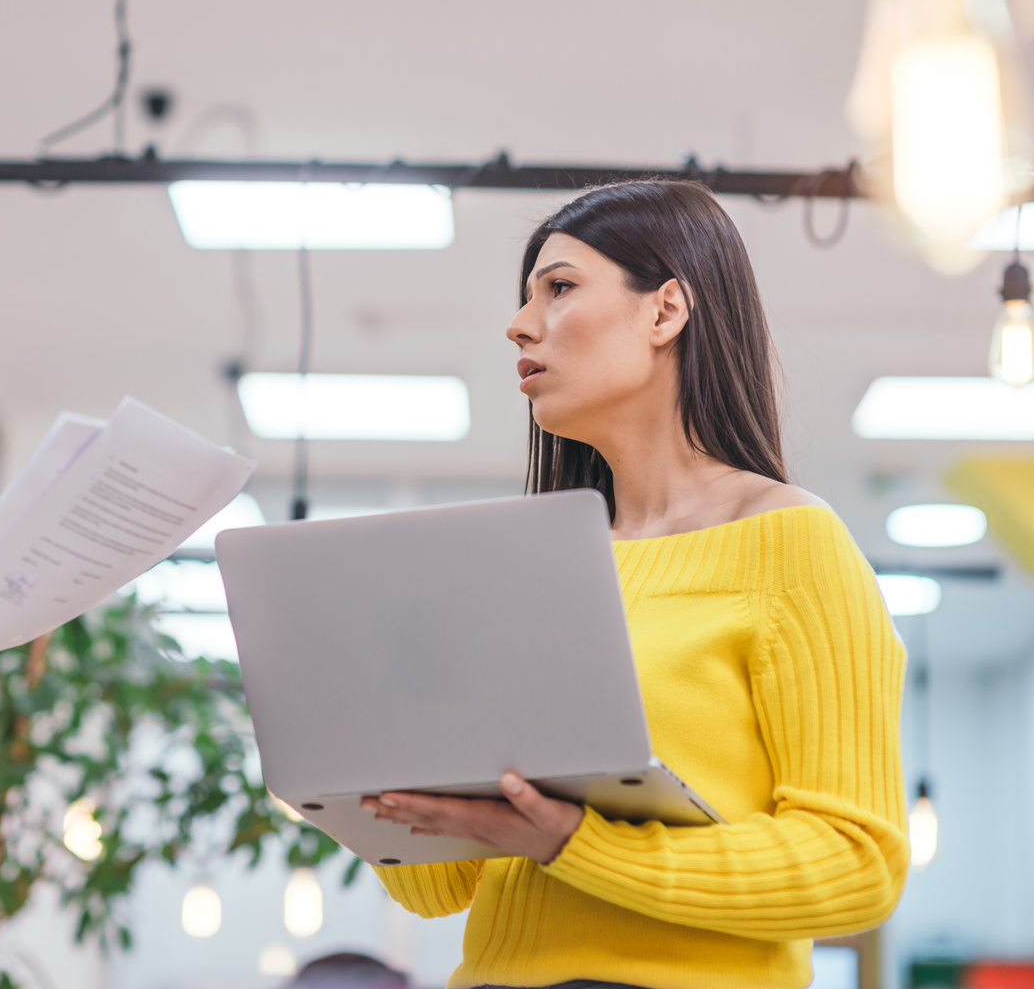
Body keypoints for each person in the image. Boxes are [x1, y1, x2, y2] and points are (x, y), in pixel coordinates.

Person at [362, 181, 908, 989]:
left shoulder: (793, 544)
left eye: (559, 288)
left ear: (665, 311)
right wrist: (383, 761)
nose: (519, 324)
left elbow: (857, 863)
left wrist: (578, 844)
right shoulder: (525, 564)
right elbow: (440, 889)